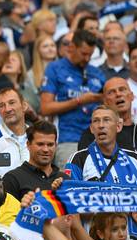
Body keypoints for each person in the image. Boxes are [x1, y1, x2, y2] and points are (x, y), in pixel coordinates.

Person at [40, 29, 106, 167]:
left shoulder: (97, 73)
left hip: (97, 140)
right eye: (83, 54)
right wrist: (80, 101)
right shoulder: (55, 68)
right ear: (71, 47)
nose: (87, 58)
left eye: (90, 54)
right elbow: (45, 108)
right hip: (68, 139)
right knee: (71, 183)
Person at [79, 77, 137, 184]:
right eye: (111, 92)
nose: (118, 94)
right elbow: (85, 166)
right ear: (105, 101)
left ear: (132, 96)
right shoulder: (93, 133)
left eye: (122, 89)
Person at [66, 105, 137, 186]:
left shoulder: (135, 159)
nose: (101, 125)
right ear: (91, 128)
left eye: (106, 120)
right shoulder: (78, 159)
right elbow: (69, 193)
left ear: (118, 126)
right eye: (96, 121)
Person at [3, 121, 69, 200]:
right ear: (28, 145)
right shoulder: (12, 178)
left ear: (56, 146)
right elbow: (7, 211)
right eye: (40, 144)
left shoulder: (65, 180)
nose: (45, 149)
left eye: (50, 145)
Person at [0, 87, 31, 177]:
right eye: (2, 105)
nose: (7, 109)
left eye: (12, 103)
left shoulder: (37, 136)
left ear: (24, 106)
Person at [24, 35, 57, 113]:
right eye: (45, 46)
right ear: (38, 50)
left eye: (52, 45)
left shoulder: (64, 70)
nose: (50, 49)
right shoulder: (30, 75)